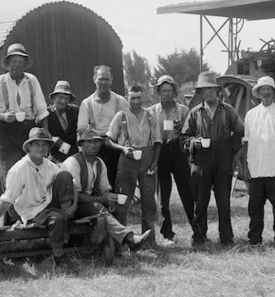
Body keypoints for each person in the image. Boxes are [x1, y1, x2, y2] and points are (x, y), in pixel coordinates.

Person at [0, 128, 77, 269]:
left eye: (44, 145)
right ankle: (59, 257)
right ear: (29, 147)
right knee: (57, 219)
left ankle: (65, 217)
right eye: (36, 144)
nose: (40, 148)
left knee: (65, 176)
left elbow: (71, 183)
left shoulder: (49, 165)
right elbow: (8, 200)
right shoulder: (18, 169)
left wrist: (72, 206)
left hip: (48, 205)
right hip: (31, 210)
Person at [60, 128, 152, 254]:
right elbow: (75, 195)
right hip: (71, 207)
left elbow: (104, 189)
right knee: (97, 206)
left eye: (97, 142)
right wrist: (102, 199)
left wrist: (111, 198)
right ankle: (129, 237)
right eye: (89, 142)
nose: (94, 145)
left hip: (89, 203)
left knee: (119, 206)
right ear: (81, 145)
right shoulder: (73, 162)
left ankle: (119, 250)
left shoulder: (99, 163)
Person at [180, 72, 244, 247]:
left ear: (216, 90)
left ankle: (227, 238)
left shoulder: (228, 111)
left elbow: (240, 132)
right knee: (200, 201)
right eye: (203, 90)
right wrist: (195, 142)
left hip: (223, 158)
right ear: (200, 93)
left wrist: (230, 150)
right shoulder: (195, 113)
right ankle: (199, 237)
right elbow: (184, 138)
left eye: (210, 89)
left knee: (224, 201)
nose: (208, 92)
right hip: (201, 159)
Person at [0, 43, 49, 190]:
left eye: (20, 62)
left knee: (32, 168)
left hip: (28, 129)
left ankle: (31, 208)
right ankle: (11, 211)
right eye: (14, 62)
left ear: (25, 64)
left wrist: (46, 131)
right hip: (6, 131)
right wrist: (3, 116)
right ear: (7, 64)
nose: (17, 65)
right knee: (10, 171)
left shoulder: (32, 80)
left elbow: (42, 110)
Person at [241, 76, 275, 246]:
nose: (266, 93)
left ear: (273, 92)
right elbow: (246, 142)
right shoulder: (250, 115)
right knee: (254, 209)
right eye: (263, 90)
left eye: (268, 90)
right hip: (256, 168)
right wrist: (245, 167)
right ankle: (254, 239)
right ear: (258, 93)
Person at [107, 85, 162, 249]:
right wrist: (122, 148)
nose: (136, 101)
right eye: (133, 98)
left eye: (139, 97)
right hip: (127, 158)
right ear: (127, 97)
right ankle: (122, 241)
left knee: (148, 202)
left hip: (147, 158)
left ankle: (148, 240)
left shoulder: (151, 116)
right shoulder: (121, 116)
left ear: (142, 97)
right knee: (123, 200)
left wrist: (155, 162)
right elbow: (108, 140)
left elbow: (158, 142)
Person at [147, 75, 195, 242]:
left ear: (174, 92)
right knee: (163, 195)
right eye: (163, 91)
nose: (166, 94)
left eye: (169, 90)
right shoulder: (151, 112)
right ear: (158, 92)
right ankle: (167, 234)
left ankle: (197, 231)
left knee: (187, 191)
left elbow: (191, 133)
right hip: (160, 151)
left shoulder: (183, 110)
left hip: (178, 150)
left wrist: (182, 128)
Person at [77, 65, 129, 189]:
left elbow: (129, 124)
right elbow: (81, 129)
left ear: (111, 80)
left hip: (115, 144)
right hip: (95, 144)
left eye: (106, 79)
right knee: (95, 179)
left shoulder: (121, 101)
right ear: (94, 79)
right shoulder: (86, 103)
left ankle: (116, 202)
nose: (103, 82)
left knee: (117, 178)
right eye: (100, 79)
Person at [47, 80, 80, 163]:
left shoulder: (75, 111)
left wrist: (63, 145)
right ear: (54, 98)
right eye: (60, 97)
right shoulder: (46, 114)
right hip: (54, 158)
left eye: (66, 98)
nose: (63, 101)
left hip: (74, 155)